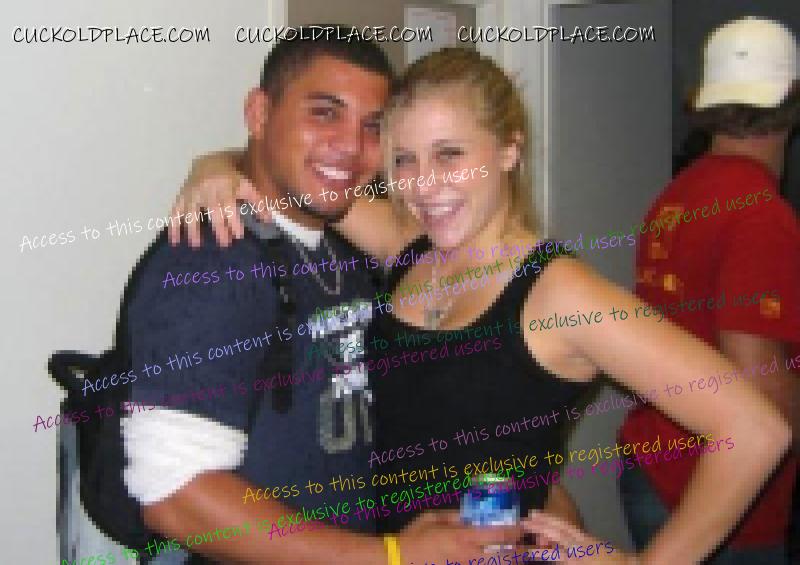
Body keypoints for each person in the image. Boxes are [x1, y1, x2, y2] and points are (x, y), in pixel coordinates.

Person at [172, 45, 792, 563]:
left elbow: (753, 430)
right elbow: (292, 181)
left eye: (450, 154)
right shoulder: (409, 247)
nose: (424, 185)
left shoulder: (558, 293)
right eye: (404, 160)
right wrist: (215, 165)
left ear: (508, 151)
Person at [120, 27, 521, 565]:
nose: (351, 146)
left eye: (372, 127)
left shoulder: (343, 241)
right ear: (259, 114)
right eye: (324, 113)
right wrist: (393, 557)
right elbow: (175, 495)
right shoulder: (213, 259)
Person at [618, 16, 800, 564]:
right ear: (792, 98)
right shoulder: (762, 215)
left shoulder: (675, 197)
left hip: (657, 466)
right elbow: (758, 377)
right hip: (725, 491)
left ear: (703, 100)